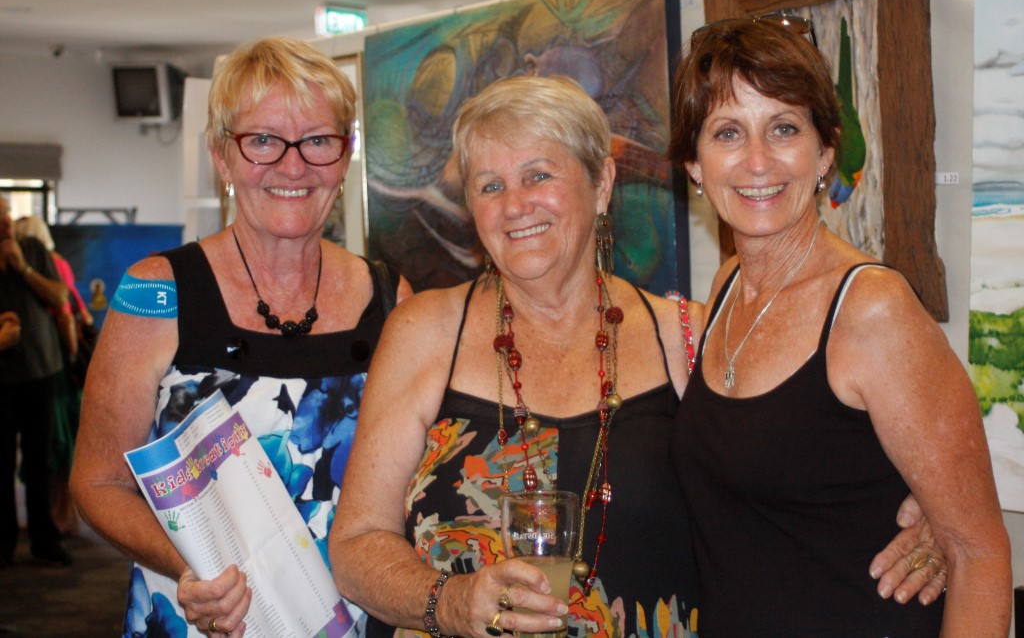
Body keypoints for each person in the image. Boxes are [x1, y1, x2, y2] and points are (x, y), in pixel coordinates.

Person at [328, 75, 940, 638]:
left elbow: (809, 465)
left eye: (539, 175)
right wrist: (453, 601)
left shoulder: (689, 335)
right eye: (490, 185)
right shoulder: (424, 332)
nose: (515, 204)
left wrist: (929, 513)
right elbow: (356, 545)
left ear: (601, 186)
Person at [667, 17, 1011, 637]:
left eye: (783, 128)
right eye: (726, 133)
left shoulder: (872, 310)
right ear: (694, 164)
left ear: (825, 149)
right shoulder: (723, 291)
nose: (757, 161)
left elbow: (979, 554)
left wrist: (942, 520)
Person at [70, 36, 411, 637]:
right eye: (262, 140)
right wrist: (189, 570)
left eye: (318, 140)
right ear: (221, 157)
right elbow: (96, 483)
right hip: (206, 614)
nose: (293, 164)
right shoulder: (155, 292)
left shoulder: (393, 300)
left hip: (358, 620)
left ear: (346, 152)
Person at [0, 196, 72, 567]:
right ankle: (5, 540)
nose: (5, 224)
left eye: (6, 216)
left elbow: (60, 296)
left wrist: (24, 268)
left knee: (41, 458)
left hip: (41, 370)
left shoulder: (31, 249)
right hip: (3, 376)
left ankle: (44, 536)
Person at [14, 214, 93, 535]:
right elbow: (71, 310)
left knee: (57, 443)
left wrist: (72, 356)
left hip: (52, 362)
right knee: (56, 443)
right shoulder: (57, 262)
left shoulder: (46, 264)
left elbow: (64, 306)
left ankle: (61, 516)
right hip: (55, 361)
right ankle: (59, 516)